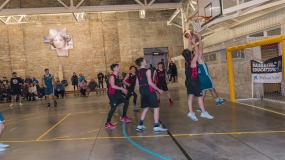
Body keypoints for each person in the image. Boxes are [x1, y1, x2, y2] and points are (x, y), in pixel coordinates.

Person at [183, 33, 213, 121]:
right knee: (200, 97)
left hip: (188, 81)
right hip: (194, 81)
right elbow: (198, 52)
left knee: (190, 97)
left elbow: (189, 50)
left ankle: (191, 112)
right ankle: (203, 112)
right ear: (190, 54)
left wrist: (189, 40)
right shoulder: (193, 62)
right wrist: (195, 42)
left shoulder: (186, 61)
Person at [135, 57, 167, 133]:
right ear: (142, 63)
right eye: (144, 60)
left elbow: (137, 84)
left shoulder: (138, 72)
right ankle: (156, 126)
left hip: (142, 91)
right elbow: (150, 82)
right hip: (149, 91)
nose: (146, 61)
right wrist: (158, 89)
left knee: (146, 108)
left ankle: (140, 125)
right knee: (156, 107)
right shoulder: (148, 71)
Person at [195, 34, 226, 112]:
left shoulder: (193, 63)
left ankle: (200, 108)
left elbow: (202, 72)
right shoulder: (199, 60)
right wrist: (199, 39)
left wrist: (210, 75)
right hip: (206, 79)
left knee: (203, 94)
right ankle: (217, 101)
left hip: (200, 79)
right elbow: (200, 49)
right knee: (212, 90)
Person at [105, 64, 131, 129]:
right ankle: (107, 123)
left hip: (117, 93)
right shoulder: (112, 76)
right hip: (112, 94)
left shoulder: (118, 76)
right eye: (118, 67)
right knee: (113, 108)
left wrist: (123, 90)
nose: (119, 68)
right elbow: (113, 86)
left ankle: (124, 117)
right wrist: (122, 89)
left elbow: (119, 84)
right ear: (114, 68)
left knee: (126, 102)